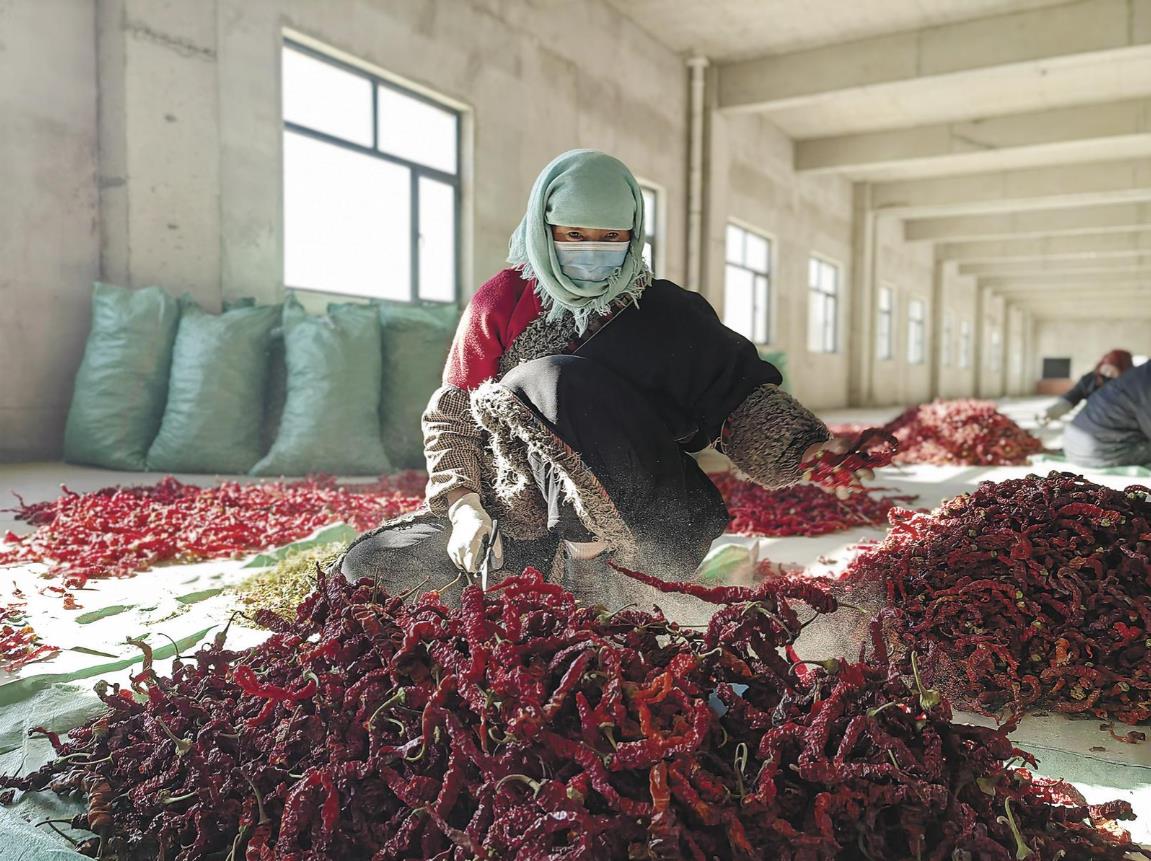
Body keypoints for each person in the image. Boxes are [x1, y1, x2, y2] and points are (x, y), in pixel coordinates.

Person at [338, 149, 857, 619]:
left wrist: (808, 450)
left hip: (638, 522)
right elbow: (453, 416)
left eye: (611, 237)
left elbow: (739, 400)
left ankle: (595, 575)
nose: (592, 250)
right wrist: (463, 506)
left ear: (634, 235)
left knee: (552, 378)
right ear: (545, 228)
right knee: (371, 565)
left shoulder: (665, 313)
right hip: (517, 514)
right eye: (574, 234)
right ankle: (551, 577)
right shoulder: (500, 301)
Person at [1063, 358, 1151, 469]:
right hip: (1098, 451)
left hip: (1076, 445)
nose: (1108, 374)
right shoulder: (1144, 381)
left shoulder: (1136, 377)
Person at [1039, 349, 1133, 424]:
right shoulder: (1090, 379)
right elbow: (1072, 397)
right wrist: (1050, 412)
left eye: (1113, 372)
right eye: (1106, 370)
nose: (1108, 375)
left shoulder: (1132, 383)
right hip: (1094, 421)